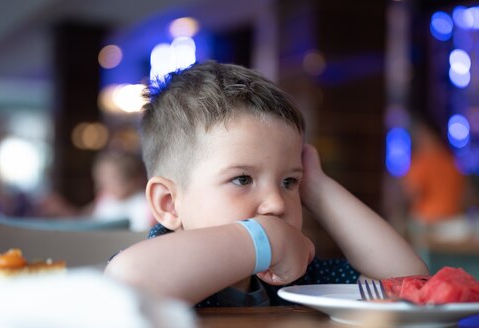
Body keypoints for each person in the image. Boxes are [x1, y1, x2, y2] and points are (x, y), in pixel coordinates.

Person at [105, 61, 427, 306]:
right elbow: (127, 280)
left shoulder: (294, 278)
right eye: (242, 179)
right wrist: (264, 240)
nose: (276, 202)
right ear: (169, 204)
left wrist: (318, 187)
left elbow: (412, 283)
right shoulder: (157, 264)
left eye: (289, 181)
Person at [37, 150, 153, 231]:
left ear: (135, 180)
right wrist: (63, 209)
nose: (103, 184)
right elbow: (86, 221)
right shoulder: (106, 199)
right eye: (100, 178)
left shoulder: (143, 205)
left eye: (112, 178)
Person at [401, 119, 467, 225]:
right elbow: (465, 195)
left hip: (427, 223)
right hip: (453, 222)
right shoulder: (452, 161)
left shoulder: (421, 161)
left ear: (427, 136)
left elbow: (413, 194)